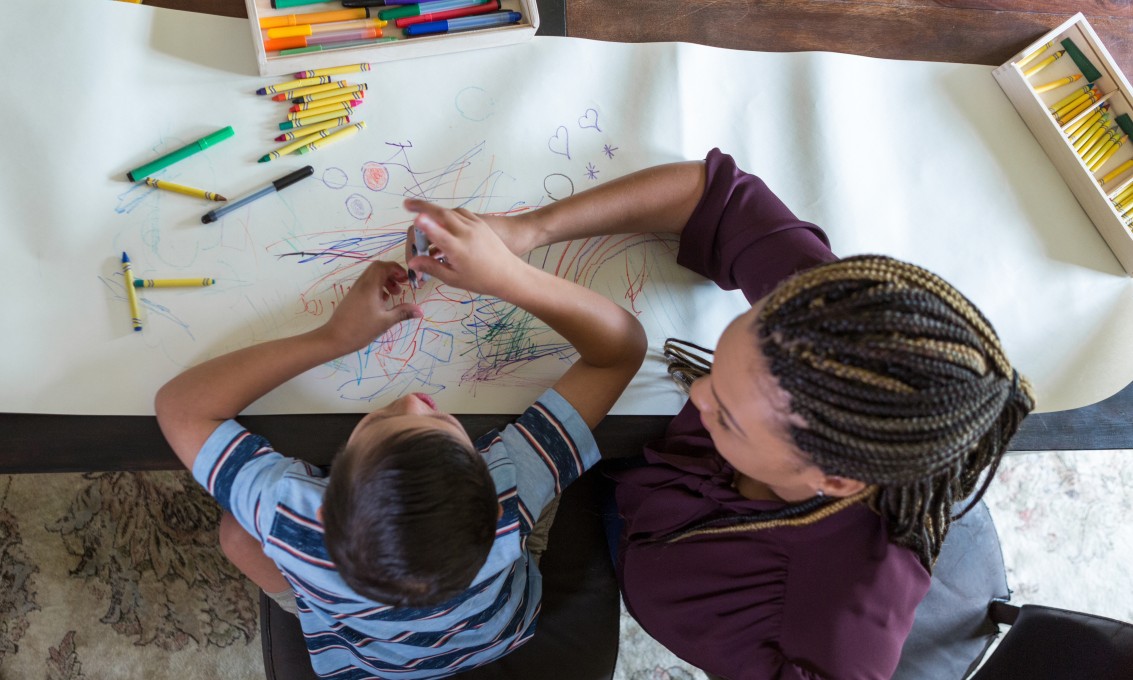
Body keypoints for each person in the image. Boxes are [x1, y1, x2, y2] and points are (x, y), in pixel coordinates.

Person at [475, 148, 1036, 679]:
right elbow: (714, 195)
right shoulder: (818, 333)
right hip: (640, 487)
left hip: (631, 544)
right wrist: (530, 230)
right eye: (716, 367)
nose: (697, 397)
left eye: (729, 415)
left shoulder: (836, 633)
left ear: (833, 479)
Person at [154, 199, 646, 678]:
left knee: (237, 534)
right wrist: (506, 276)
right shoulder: (510, 492)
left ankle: (314, 608)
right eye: (438, 423)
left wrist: (333, 339)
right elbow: (620, 350)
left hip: (364, 660)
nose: (413, 399)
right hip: (496, 630)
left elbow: (182, 408)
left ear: (322, 505)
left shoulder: (292, 520)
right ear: (494, 501)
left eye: (384, 423)